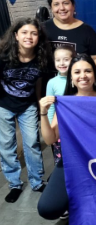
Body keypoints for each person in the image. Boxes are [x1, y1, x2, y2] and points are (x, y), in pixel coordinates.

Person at [38, 54, 96, 220]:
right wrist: (43, 112)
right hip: (73, 161)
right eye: (77, 72)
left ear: (95, 74)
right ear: (71, 78)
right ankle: (73, 201)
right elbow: (50, 139)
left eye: (88, 71)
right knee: (47, 208)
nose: (83, 76)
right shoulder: (65, 104)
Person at [0, 18, 51, 203]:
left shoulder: (42, 57)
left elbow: (38, 81)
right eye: (24, 32)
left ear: (39, 37)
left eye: (34, 33)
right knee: (6, 145)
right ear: (16, 35)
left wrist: (38, 102)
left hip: (27, 105)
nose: (29, 36)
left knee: (32, 143)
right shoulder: (4, 54)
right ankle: (14, 184)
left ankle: (37, 182)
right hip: (4, 104)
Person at [44, 0, 96, 70]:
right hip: (48, 81)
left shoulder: (86, 31)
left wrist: (86, 76)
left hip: (77, 81)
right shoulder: (43, 28)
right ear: (51, 8)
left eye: (66, 3)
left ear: (73, 5)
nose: (62, 8)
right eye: (56, 4)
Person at [46, 45, 75, 165]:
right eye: (58, 60)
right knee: (61, 161)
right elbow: (50, 107)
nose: (61, 63)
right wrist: (50, 129)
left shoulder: (78, 78)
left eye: (66, 59)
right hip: (59, 128)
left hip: (75, 127)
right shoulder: (52, 83)